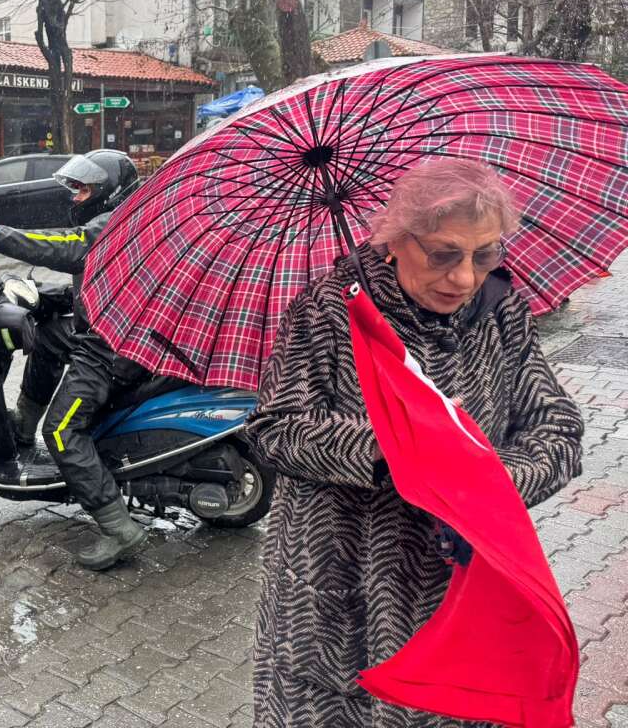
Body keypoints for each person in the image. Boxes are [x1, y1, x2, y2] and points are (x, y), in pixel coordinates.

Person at [247, 158, 584, 728]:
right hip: (336, 589)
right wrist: (398, 456)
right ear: (395, 241)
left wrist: (484, 487)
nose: (465, 278)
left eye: (486, 255)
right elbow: (276, 428)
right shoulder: (330, 309)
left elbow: (557, 428)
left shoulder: (501, 312)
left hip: (459, 589)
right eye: (444, 254)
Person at [0, 149, 148, 571]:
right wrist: (48, 296)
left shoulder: (117, 224)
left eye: (84, 189)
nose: (77, 196)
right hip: (102, 329)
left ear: (109, 192)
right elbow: (94, 283)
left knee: (61, 430)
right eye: (75, 188)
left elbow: (70, 246)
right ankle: (23, 425)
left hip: (110, 350)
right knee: (46, 334)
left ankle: (118, 526)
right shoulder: (128, 216)